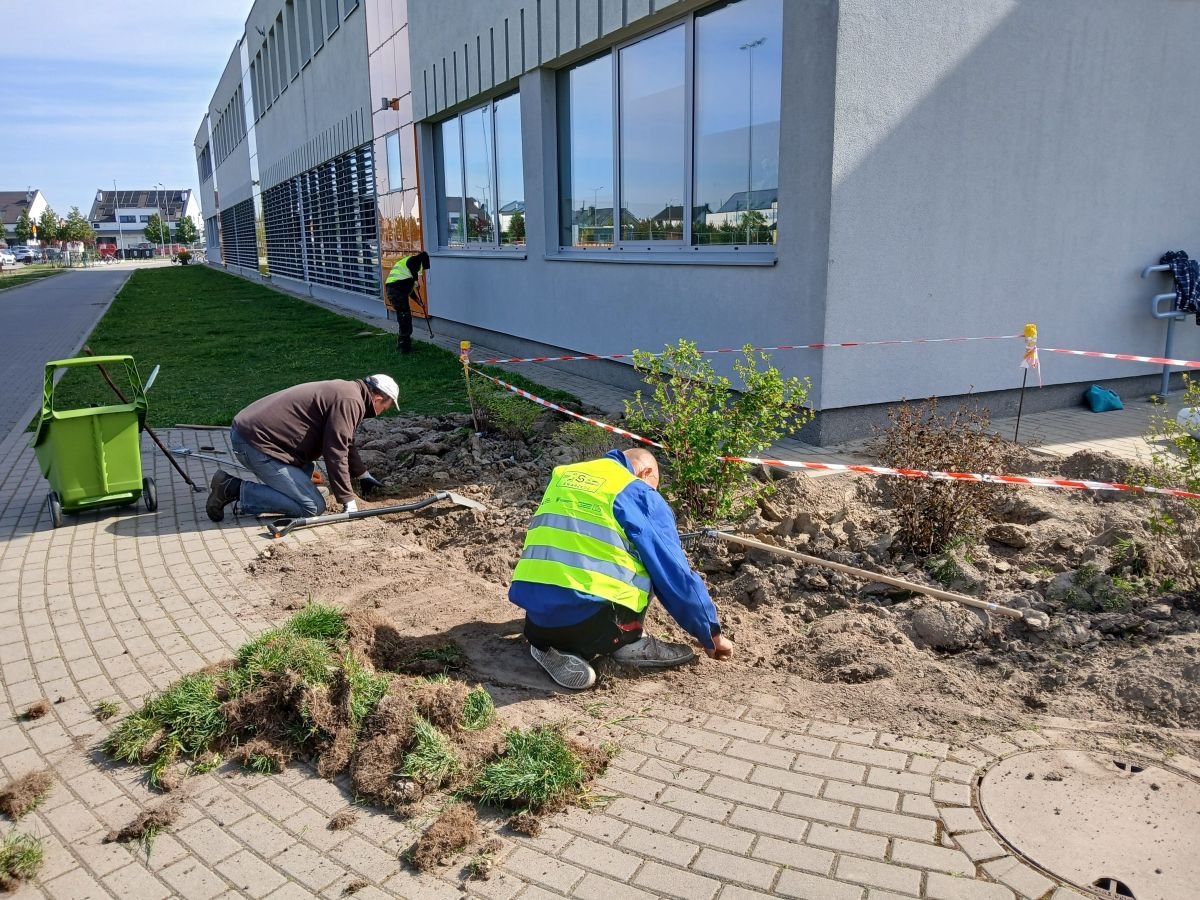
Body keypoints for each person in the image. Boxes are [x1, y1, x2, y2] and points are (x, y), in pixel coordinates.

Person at [509, 448, 734, 690]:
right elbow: (674, 572)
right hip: (598, 624)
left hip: (536, 619)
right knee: (648, 555)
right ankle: (628, 643)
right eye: (653, 486)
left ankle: (547, 646)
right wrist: (710, 633)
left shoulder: (564, 474)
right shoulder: (635, 490)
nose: (652, 492)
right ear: (646, 472)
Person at [206, 375, 399, 523]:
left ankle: (281, 494)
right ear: (377, 398)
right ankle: (232, 489)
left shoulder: (349, 392)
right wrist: (348, 501)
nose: (381, 414)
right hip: (255, 444)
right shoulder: (351, 401)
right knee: (312, 507)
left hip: (263, 440)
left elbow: (344, 441)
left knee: (309, 490)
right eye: (386, 407)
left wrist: (363, 475)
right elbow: (335, 451)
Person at [384, 251, 430, 354]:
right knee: (404, 317)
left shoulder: (406, 275)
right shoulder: (412, 261)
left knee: (405, 317)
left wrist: (418, 302)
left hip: (396, 290)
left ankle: (404, 345)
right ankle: (403, 348)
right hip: (395, 291)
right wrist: (415, 280)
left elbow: (409, 291)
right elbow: (413, 268)